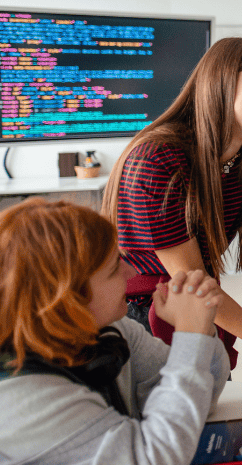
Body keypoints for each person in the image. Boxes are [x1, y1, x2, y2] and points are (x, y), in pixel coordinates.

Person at [103, 37, 242, 391]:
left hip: (202, 306)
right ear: (221, 84)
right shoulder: (158, 159)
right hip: (142, 315)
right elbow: (189, 277)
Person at [0, 199, 229, 465]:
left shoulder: (109, 331)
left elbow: (201, 397)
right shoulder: (20, 399)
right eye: (112, 270)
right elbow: (155, 458)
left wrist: (198, 325)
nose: (131, 272)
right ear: (68, 298)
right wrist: (191, 335)